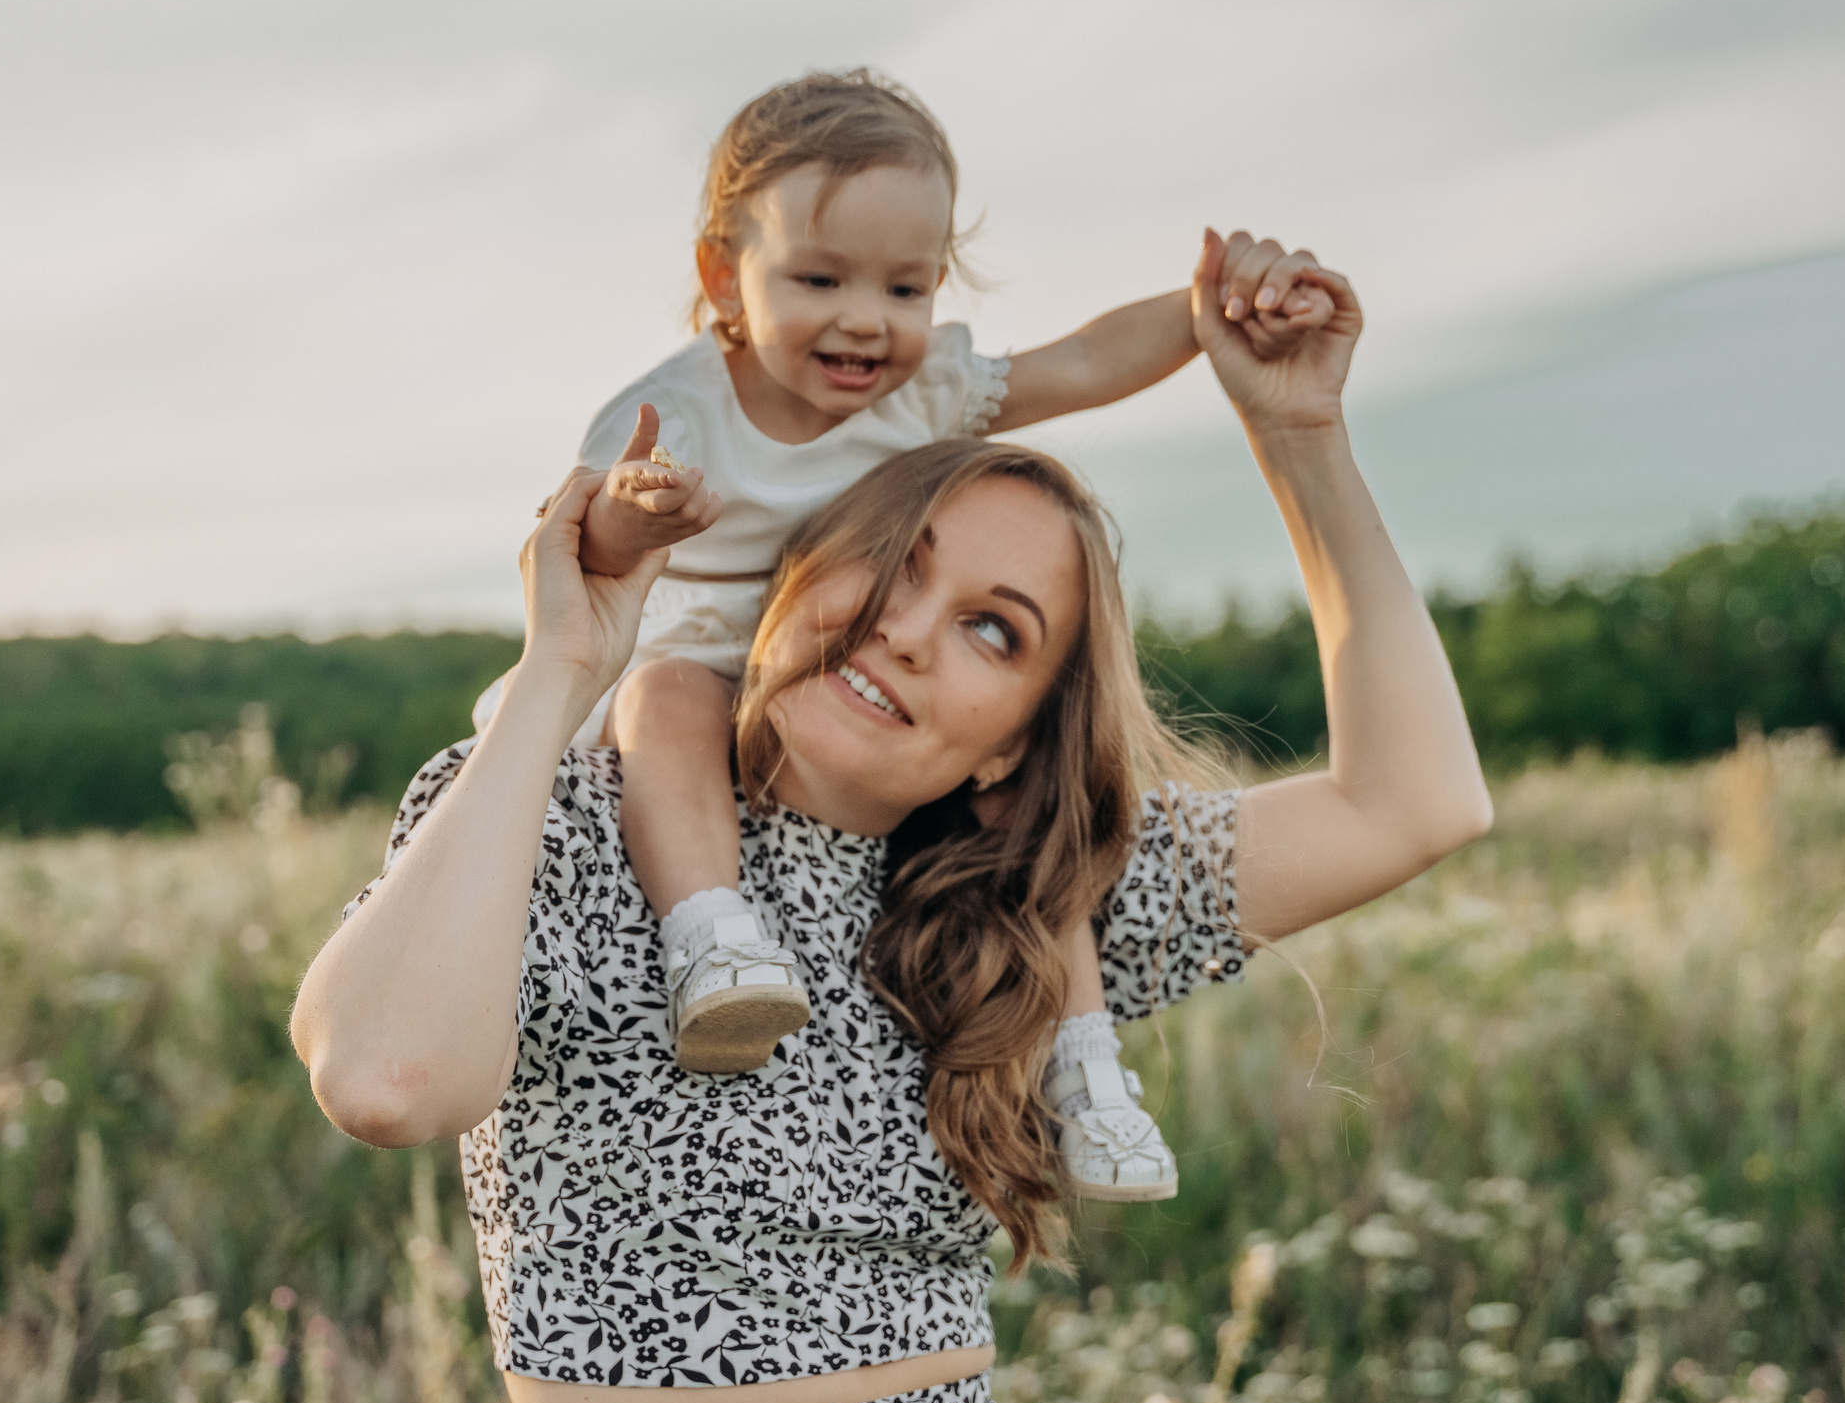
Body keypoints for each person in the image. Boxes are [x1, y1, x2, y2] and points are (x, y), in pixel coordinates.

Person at [291, 229, 1492, 1403]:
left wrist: (1300, 438)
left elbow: (1413, 802)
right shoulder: (573, 814)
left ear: (1012, 742)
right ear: (795, 570)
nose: (906, 633)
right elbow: (385, 1077)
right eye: (892, 563)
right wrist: (558, 675)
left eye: (992, 630)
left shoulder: (1022, 894)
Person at [464, 69, 1334, 1200]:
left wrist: (1213, 311)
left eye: (906, 286)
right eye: (820, 278)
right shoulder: (674, 412)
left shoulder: (919, 396)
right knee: (667, 700)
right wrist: (645, 510)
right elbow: (590, 537)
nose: (867, 318)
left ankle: (1087, 1073)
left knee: (1015, 822)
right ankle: (712, 937)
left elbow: (1079, 363)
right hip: (698, 669)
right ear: (725, 278)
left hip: (842, 676)